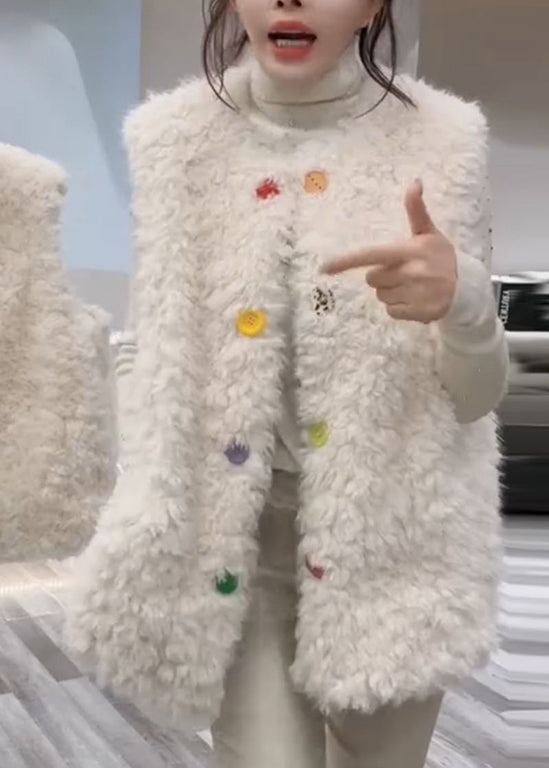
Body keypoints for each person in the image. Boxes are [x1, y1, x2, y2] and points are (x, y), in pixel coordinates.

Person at [64, 2, 510, 767]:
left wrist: (463, 302)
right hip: (236, 549)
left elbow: (474, 399)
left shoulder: (444, 140)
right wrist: (147, 476)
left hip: (397, 546)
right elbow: (149, 346)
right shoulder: (174, 141)